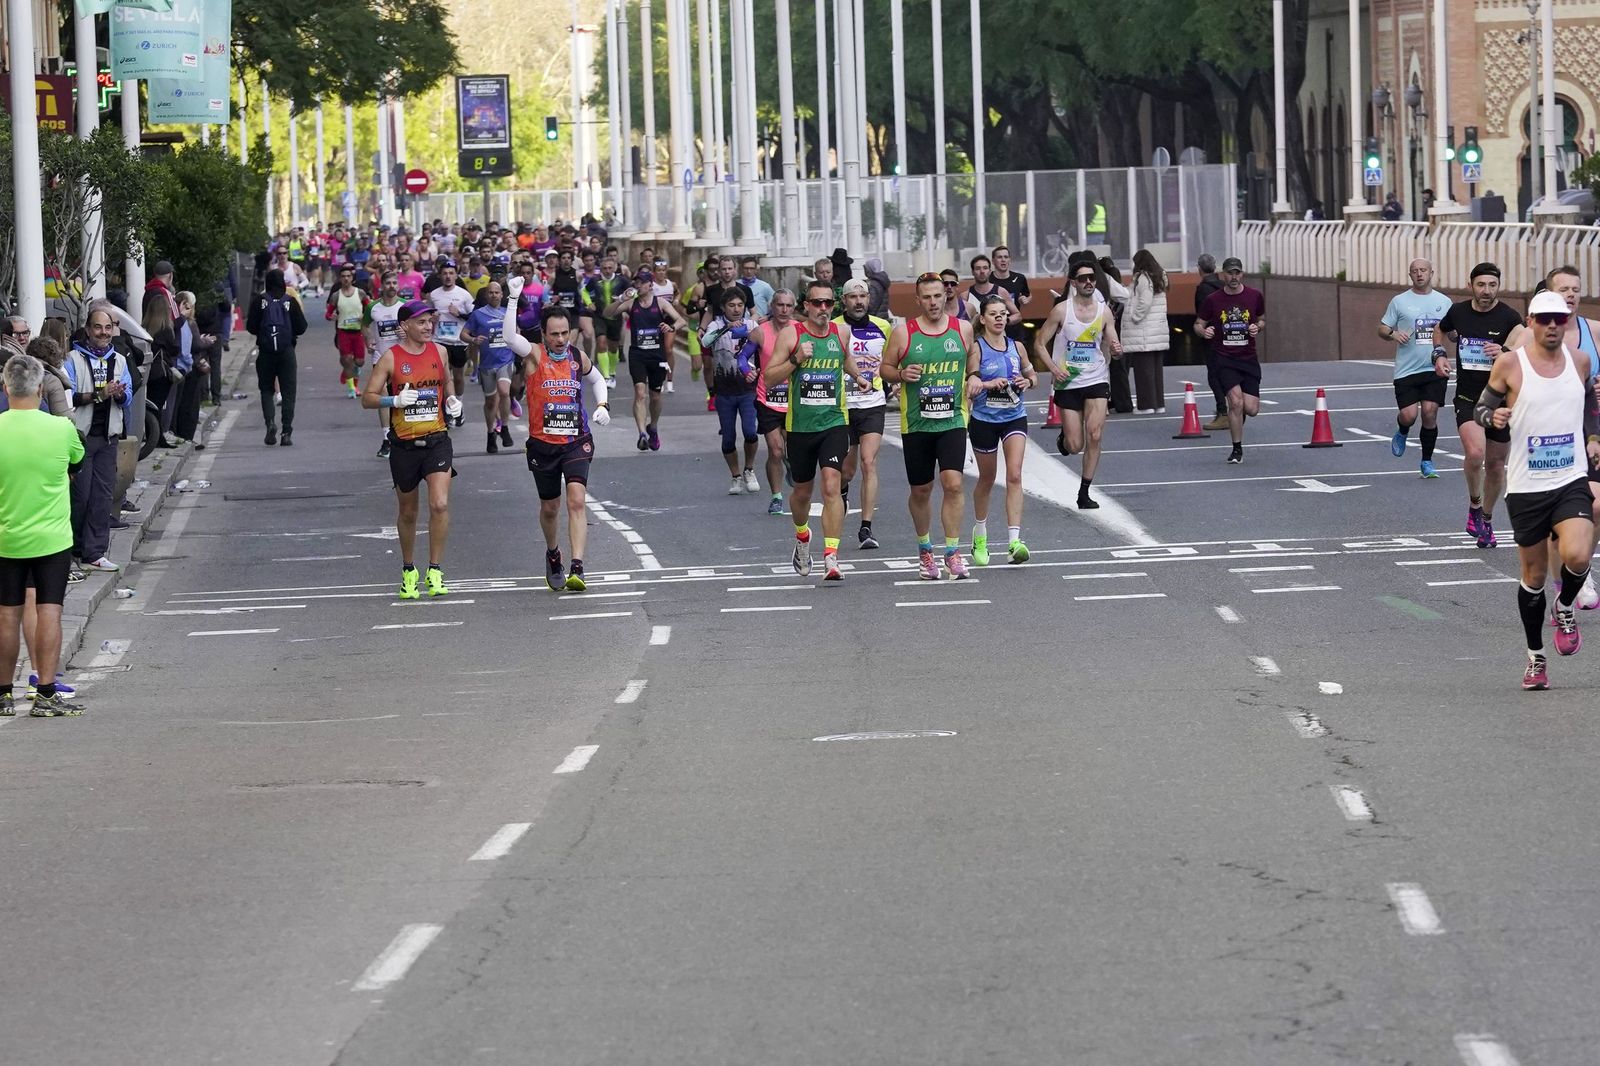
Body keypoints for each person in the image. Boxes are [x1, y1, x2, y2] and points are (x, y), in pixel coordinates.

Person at [1472, 290, 1597, 690]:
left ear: (1566, 323)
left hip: (1570, 477)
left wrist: (1593, 437)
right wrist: (1495, 415)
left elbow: (1591, 402)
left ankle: (1564, 608)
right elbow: (1480, 408)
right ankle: (1536, 658)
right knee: (1534, 575)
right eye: (1543, 319)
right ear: (1531, 322)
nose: (1551, 326)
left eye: (1558, 320)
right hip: (1527, 486)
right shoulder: (1511, 364)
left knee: (1578, 553)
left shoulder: (1579, 361)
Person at [500, 282, 611, 592]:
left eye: (565, 333)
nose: (561, 340)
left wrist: (602, 404)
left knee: (577, 501)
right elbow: (509, 336)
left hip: (576, 441)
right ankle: (553, 555)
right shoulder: (534, 355)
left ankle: (578, 566)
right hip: (543, 444)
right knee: (550, 507)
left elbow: (597, 378)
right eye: (554, 334)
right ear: (544, 335)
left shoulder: (577, 356)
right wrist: (512, 298)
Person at [360, 300, 465, 600]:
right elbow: (367, 398)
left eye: (430, 321)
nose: (428, 326)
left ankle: (435, 569)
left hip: (437, 439)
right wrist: (392, 402)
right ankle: (409, 570)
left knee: (440, 504)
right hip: (404, 444)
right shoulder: (390, 359)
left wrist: (451, 400)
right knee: (408, 512)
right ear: (404, 326)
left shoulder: (440, 351)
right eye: (421, 322)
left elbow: (446, 381)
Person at [0, 355, 86, 717]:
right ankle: (46, 692)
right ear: (40, 388)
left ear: (6, 388)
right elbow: (76, 463)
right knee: (50, 610)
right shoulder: (61, 428)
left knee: (6, 616)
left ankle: (3, 694)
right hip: (51, 538)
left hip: (5, 537)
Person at [765, 280, 866, 581]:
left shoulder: (840, 332)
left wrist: (859, 377)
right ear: (805, 305)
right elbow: (769, 377)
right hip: (801, 427)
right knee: (802, 492)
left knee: (832, 485)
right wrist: (797, 359)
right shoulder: (792, 334)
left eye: (828, 303)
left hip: (834, 421)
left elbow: (844, 358)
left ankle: (832, 557)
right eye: (816, 303)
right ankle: (802, 536)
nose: (823, 309)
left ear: (834, 306)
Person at [881, 272, 977, 580]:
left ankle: (952, 551)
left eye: (938, 295)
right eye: (927, 297)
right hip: (917, 423)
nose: (934, 302)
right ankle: (925, 550)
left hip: (952, 420)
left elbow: (972, 355)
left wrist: (973, 375)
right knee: (921, 490)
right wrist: (900, 374)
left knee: (953, 484)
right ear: (918, 300)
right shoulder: (903, 333)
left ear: (946, 296)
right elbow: (885, 368)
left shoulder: (962, 329)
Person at [1439, 262, 1524, 550]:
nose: (1487, 291)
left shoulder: (1510, 317)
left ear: (1498, 286)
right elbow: (1442, 330)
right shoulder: (1458, 312)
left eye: (1492, 285)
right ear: (1471, 285)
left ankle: (1486, 520)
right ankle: (1474, 505)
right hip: (1468, 398)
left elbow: (1524, 351)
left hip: (1500, 401)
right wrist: (1439, 353)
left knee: (1497, 465)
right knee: (1475, 454)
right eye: (1481, 285)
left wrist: (1504, 352)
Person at [1035, 254, 1123, 507]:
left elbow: (1113, 342)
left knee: (1095, 435)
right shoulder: (1062, 310)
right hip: (1068, 380)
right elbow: (1040, 343)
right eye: (1083, 278)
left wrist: (1117, 350)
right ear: (1073, 282)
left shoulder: (1104, 311)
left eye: (1092, 278)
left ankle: (1084, 492)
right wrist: (1053, 368)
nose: (1088, 282)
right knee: (1075, 445)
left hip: (1096, 377)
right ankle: (1065, 437)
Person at [62, 307, 135, 573]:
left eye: (108, 328)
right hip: (80, 438)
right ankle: (75, 549)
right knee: (80, 497)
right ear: (88, 329)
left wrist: (119, 394)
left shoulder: (120, 360)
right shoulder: (72, 358)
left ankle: (95, 552)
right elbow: (67, 396)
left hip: (108, 437)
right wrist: (98, 395)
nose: (103, 333)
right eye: (98, 328)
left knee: (103, 497)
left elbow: (129, 397)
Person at [1544, 264, 1600, 607]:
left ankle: (1583, 569)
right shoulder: (1529, 335)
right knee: (1555, 524)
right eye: (1564, 289)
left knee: (1596, 507)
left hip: (1590, 431)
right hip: (1549, 436)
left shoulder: (1594, 331)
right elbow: (1507, 378)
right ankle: (1559, 587)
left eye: (1576, 289)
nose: (1571, 295)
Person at [966, 294, 1035, 566]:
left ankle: (1014, 542)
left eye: (1003, 313)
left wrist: (1026, 381)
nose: (999, 318)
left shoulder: (1017, 347)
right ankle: (980, 536)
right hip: (984, 419)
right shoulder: (977, 349)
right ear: (982, 319)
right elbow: (969, 386)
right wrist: (988, 383)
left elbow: (1032, 376)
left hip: (1014, 415)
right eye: (993, 314)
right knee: (987, 478)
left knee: (1015, 475)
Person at [1380, 258, 1454, 477]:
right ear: (1410, 275)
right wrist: (1393, 333)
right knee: (1409, 415)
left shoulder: (1444, 301)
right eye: (1415, 271)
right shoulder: (1400, 301)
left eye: (1423, 270)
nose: (1420, 274)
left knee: (1430, 413)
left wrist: (1459, 335)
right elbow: (1382, 327)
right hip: (1407, 369)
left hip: (1434, 367)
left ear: (1432, 273)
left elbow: (1451, 331)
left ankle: (1427, 462)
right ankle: (1402, 430)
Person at [835, 278, 891, 548]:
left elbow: (892, 361)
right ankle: (843, 491)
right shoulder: (834, 327)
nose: (858, 301)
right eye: (852, 297)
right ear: (843, 301)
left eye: (863, 296)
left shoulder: (883, 327)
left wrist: (895, 382)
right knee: (846, 471)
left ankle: (866, 529)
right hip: (843, 406)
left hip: (872, 403)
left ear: (869, 299)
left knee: (869, 463)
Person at [606, 270, 688, 452]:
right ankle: (642, 433)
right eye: (636, 282)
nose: (638, 285)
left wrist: (671, 326)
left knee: (656, 396)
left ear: (650, 285)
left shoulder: (661, 303)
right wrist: (620, 299)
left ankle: (653, 426)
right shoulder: (630, 303)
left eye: (641, 283)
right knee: (640, 393)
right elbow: (608, 313)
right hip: (638, 354)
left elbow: (681, 320)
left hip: (656, 355)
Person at [1194, 257, 1266, 464]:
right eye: (1229, 273)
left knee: (1250, 409)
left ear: (1241, 274)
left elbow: (1261, 318)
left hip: (1248, 358)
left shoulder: (1254, 296)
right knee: (1235, 401)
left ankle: (1238, 416)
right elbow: (1198, 323)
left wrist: (1257, 327)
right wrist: (1203, 331)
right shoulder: (1213, 300)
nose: (1233, 277)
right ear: (1223, 274)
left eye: (1237, 273)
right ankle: (1237, 449)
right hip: (1224, 358)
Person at [700, 289, 763, 495]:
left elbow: (764, 347)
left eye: (739, 305)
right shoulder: (716, 325)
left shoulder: (752, 325)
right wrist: (726, 328)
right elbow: (705, 342)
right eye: (731, 305)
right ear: (723, 307)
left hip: (748, 390)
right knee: (728, 437)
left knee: (750, 432)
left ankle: (749, 469)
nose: (736, 310)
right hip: (724, 391)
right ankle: (735, 475)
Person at [246, 269, 308, 446]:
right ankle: (286, 432)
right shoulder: (290, 302)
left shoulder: (260, 301)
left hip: (266, 352)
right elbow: (302, 327)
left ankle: (270, 424)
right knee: (288, 393)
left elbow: (251, 327)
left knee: (266, 390)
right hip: (286, 352)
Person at [754, 288, 798, 515]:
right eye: (780, 305)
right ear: (772, 307)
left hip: (794, 398)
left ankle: (790, 460)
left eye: (788, 306)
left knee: (791, 449)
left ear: (794, 308)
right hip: (768, 398)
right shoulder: (761, 331)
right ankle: (777, 496)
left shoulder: (799, 330)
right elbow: (744, 356)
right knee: (775, 450)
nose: (784, 310)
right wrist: (748, 371)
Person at [464, 280, 517, 454]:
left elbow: (516, 331)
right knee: (490, 402)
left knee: (504, 392)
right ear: (486, 295)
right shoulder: (478, 315)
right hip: (487, 364)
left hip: (505, 360)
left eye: (497, 292)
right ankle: (490, 433)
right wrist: (473, 340)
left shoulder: (508, 313)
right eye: (491, 292)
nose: (494, 295)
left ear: (502, 295)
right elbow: (463, 334)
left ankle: (506, 427)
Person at [427, 261, 475, 423]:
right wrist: (431, 318)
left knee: (458, 376)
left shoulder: (464, 295)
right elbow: (426, 315)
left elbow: (473, 317)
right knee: (443, 376)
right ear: (440, 276)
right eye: (445, 273)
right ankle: (446, 410)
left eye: (451, 273)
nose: (448, 276)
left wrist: (459, 313)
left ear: (456, 275)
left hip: (459, 341)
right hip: (440, 341)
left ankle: (458, 406)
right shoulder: (434, 295)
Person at [1123, 250, 1170, 413]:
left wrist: (1135, 316)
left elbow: (1145, 300)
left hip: (1144, 331)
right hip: (1157, 330)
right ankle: (1159, 404)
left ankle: (1146, 405)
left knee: (1143, 371)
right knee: (1156, 371)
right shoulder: (1160, 276)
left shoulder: (1144, 277)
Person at [365, 273, 405, 459]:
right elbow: (364, 325)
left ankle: (403, 433)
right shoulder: (373, 307)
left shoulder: (404, 306)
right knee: (382, 395)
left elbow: (415, 326)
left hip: (401, 356)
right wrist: (369, 340)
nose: (391, 286)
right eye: (388, 283)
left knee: (402, 395)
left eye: (394, 283)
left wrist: (405, 332)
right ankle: (386, 438)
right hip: (380, 357)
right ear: (382, 286)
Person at [171, 291, 215, 444]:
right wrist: (207, 342)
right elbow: (193, 345)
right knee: (189, 406)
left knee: (181, 405)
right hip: (188, 368)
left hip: (182, 368)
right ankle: (186, 436)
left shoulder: (178, 322)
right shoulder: (188, 323)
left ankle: (181, 435)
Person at [326, 264, 372, 398]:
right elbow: (328, 314)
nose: (346, 279)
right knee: (346, 359)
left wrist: (365, 316)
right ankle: (353, 388)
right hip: (343, 331)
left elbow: (369, 308)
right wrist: (331, 316)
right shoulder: (336, 295)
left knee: (359, 362)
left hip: (357, 331)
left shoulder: (360, 293)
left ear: (352, 278)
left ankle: (349, 372)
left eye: (348, 276)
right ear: (340, 279)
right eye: (343, 276)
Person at [1193, 253, 1227, 429]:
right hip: (1228, 335)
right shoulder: (1224, 286)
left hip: (1212, 336)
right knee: (1228, 373)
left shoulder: (1203, 289)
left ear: (1199, 269)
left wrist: (1202, 329)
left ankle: (1223, 412)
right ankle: (1232, 410)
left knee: (1214, 374)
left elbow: (1202, 314)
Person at [989, 245, 1032, 344]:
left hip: (1014, 328)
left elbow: (1028, 294)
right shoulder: (988, 280)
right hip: (993, 330)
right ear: (993, 261)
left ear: (1010, 260)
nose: (1003, 260)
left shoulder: (1019, 278)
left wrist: (1025, 299)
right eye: (999, 257)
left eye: (1006, 257)